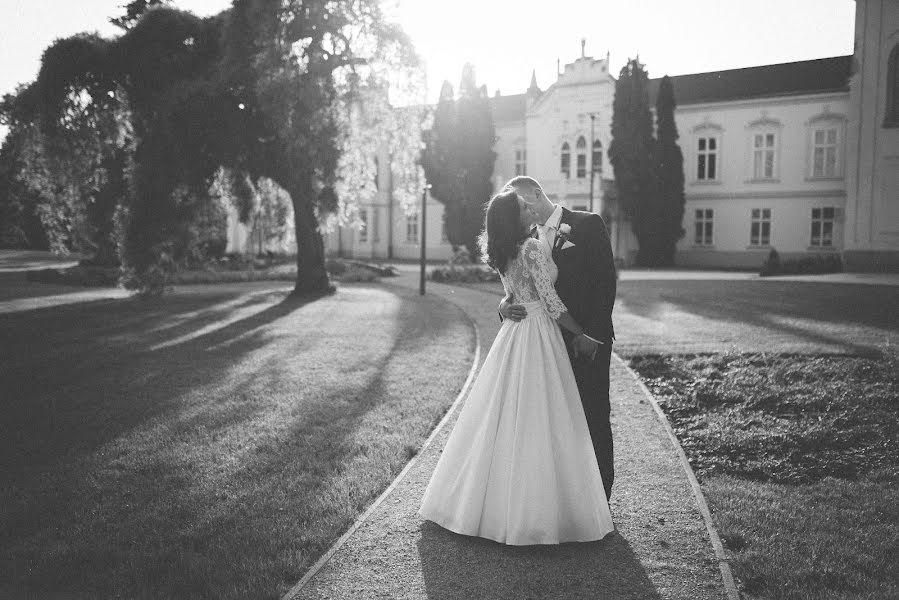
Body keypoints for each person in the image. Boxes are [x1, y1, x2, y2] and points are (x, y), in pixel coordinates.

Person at [419, 189, 614, 545]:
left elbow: (513, 295)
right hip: (540, 332)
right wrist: (582, 334)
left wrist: (506, 306)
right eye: (523, 206)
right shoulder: (531, 248)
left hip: (514, 335)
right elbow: (551, 303)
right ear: (515, 217)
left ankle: (497, 507)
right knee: (544, 416)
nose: (530, 206)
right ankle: (546, 512)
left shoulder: (504, 251)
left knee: (508, 416)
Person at [500, 176, 617, 500]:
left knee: (592, 416)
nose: (521, 211)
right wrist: (504, 305)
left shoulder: (587, 224)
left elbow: (606, 283)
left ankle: (599, 501)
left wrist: (592, 335)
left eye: (523, 203)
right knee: (551, 422)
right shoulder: (523, 240)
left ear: (536, 194)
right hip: (543, 343)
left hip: (585, 343)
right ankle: (562, 500)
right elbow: (521, 288)